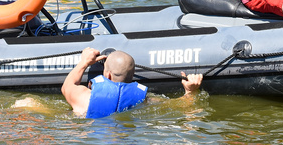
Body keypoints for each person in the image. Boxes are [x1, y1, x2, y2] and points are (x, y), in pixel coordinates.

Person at [62, 48, 203, 118]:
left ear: (108, 74)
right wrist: (190, 91)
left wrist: (84, 62)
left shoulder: (84, 97)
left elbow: (66, 87)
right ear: (132, 77)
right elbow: (181, 105)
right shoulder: (143, 101)